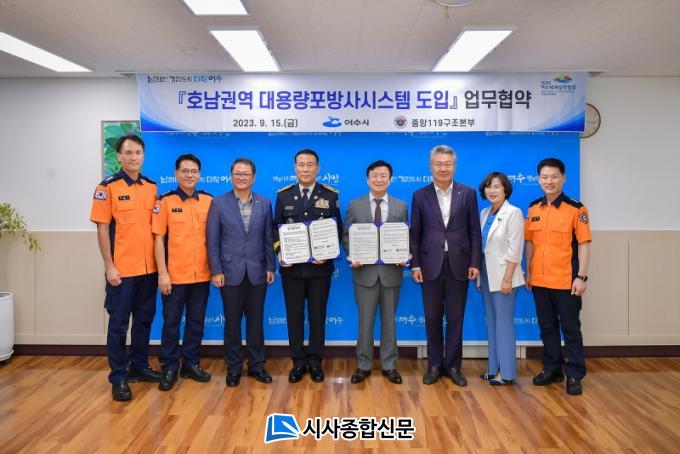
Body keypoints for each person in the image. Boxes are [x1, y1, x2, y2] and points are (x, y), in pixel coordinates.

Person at [90, 134, 162, 401]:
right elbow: (102, 228)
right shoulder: (106, 187)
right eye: (128, 153)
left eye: (138, 153)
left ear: (143, 156)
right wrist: (109, 266)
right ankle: (119, 377)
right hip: (122, 271)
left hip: (148, 271)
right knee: (119, 326)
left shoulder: (151, 187)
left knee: (143, 321)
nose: (134, 157)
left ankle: (139, 366)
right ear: (119, 157)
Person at [410, 145, 482, 386]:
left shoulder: (468, 193)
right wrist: (415, 265)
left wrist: (475, 262)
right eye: (438, 164)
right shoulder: (420, 195)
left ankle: (453, 366)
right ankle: (434, 365)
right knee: (431, 317)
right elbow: (415, 233)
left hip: (459, 265)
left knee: (455, 317)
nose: (443, 168)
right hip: (429, 265)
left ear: (454, 166)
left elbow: (474, 231)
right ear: (430, 167)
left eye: (447, 164)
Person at [273, 149, 342, 383]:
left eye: (310, 164)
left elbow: (337, 229)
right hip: (291, 269)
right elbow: (275, 228)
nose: (305, 169)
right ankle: (298, 362)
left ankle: (315, 361)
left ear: (317, 168)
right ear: (295, 168)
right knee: (294, 316)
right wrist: (280, 252)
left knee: (317, 316)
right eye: (301, 164)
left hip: (320, 270)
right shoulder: (283, 195)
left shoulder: (330, 195)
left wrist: (328, 252)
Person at [206, 158, 276, 387]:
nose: (241, 177)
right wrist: (216, 270)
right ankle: (234, 367)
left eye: (246, 174)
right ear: (231, 176)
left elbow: (268, 238)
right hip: (229, 273)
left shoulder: (265, 203)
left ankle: (257, 365)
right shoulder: (218, 203)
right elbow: (213, 241)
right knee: (232, 323)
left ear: (253, 177)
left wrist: (270, 267)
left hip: (257, 272)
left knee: (256, 322)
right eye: (237, 173)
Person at [525, 157, 591, 395]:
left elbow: (583, 244)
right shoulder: (534, 208)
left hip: (566, 281)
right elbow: (530, 243)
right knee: (547, 327)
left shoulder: (576, 209)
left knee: (571, 329)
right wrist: (529, 271)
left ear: (563, 178)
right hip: (540, 281)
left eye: (554, 176)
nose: (549, 181)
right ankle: (552, 368)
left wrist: (581, 277)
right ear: (538, 179)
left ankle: (574, 373)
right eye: (544, 177)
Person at [342, 160, 408, 385]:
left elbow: (405, 236)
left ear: (390, 179)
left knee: (390, 322)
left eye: (383, 175)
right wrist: (352, 254)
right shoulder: (355, 205)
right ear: (367, 179)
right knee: (365, 322)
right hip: (364, 273)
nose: (379, 179)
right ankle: (363, 365)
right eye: (374, 175)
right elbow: (347, 235)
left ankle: (390, 365)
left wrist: (405, 253)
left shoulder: (400, 205)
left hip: (391, 273)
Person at [152, 154, 213, 391]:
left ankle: (190, 364)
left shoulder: (208, 201)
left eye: (194, 171)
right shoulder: (165, 202)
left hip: (202, 276)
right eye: (185, 171)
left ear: (200, 175)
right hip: (174, 277)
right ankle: (169, 366)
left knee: (196, 322)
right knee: (171, 324)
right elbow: (158, 239)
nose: (190, 175)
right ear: (176, 174)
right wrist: (162, 273)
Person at [477, 172, 525, 386]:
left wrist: (507, 279)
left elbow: (515, 250)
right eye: (489, 186)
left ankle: (506, 373)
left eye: (497, 186)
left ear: (506, 189)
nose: (492, 190)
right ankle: (492, 368)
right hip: (487, 275)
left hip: (505, 277)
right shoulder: (484, 212)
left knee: (503, 324)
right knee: (492, 323)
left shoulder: (514, 213)